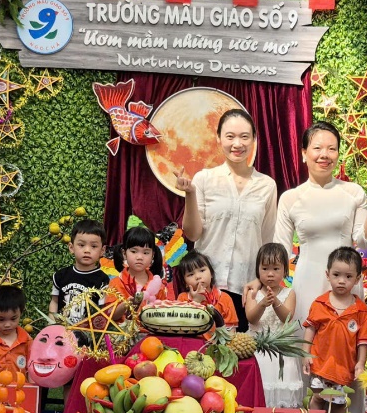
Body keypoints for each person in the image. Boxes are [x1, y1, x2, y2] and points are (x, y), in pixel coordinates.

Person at [175, 107, 277, 333]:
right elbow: (192, 234)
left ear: (254, 140)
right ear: (219, 138)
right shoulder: (204, 179)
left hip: (246, 289)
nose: (237, 144)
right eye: (230, 136)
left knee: (238, 357)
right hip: (206, 287)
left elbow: (267, 241)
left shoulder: (267, 185)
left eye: (244, 137)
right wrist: (190, 194)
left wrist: (260, 281)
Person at [273, 121, 367, 321]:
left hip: (346, 283)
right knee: (306, 345)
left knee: (345, 344)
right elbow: (280, 250)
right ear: (304, 153)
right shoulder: (290, 198)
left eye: (332, 149)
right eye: (317, 148)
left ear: (338, 154)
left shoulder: (353, 192)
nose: (324, 155)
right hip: (307, 284)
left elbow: (363, 242)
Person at [301, 247, 367, 402]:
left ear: (357, 279)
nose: (342, 281)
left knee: (339, 404)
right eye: (336, 275)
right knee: (316, 398)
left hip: (343, 368)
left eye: (348, 276)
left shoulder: (361, 310)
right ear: (328, 275)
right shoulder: (320, 303)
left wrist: (361, 364)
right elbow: (310, 329)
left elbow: (363, 341)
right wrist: (306, 353)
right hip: (319, 365)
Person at [245, 243, 301, 407]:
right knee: (260, 390)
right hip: (258, 350)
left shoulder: (289, 293)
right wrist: (262, 304)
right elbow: (251, 318)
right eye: (265, 268)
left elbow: (287, 318)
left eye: (276, 269)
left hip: (281, 351)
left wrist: (276, 302)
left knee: (280, 391)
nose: (270, 274)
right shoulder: (252, 292)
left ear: (285, 270)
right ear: (258, 270)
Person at [50, 219, 109, 328]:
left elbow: (102, 310)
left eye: (94, 246)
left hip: (88, 335)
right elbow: (54, 301)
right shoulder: (60, 276)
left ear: (102, 250)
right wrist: (52, 325)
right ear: (71, 247)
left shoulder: (102, 280)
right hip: (62, 332)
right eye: (81, 245)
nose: (87, 250)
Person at [104, 225, 171, 312]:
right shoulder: (116, 283)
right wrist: (126, 305)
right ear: (124, 253)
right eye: (134, 251)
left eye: (146, 253)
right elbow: (109, 315)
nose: (139, 257)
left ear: (152, 255)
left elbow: (163, 313)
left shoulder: (158, 285)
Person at [174, 251, 238, 327]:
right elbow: (181, 325)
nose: (198, 276)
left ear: (211, 274)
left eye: (202, 270)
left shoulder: (224, 298)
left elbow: (231, 330)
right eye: (191, 274)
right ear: (185, 283)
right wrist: (196, 302)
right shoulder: (182, 298)